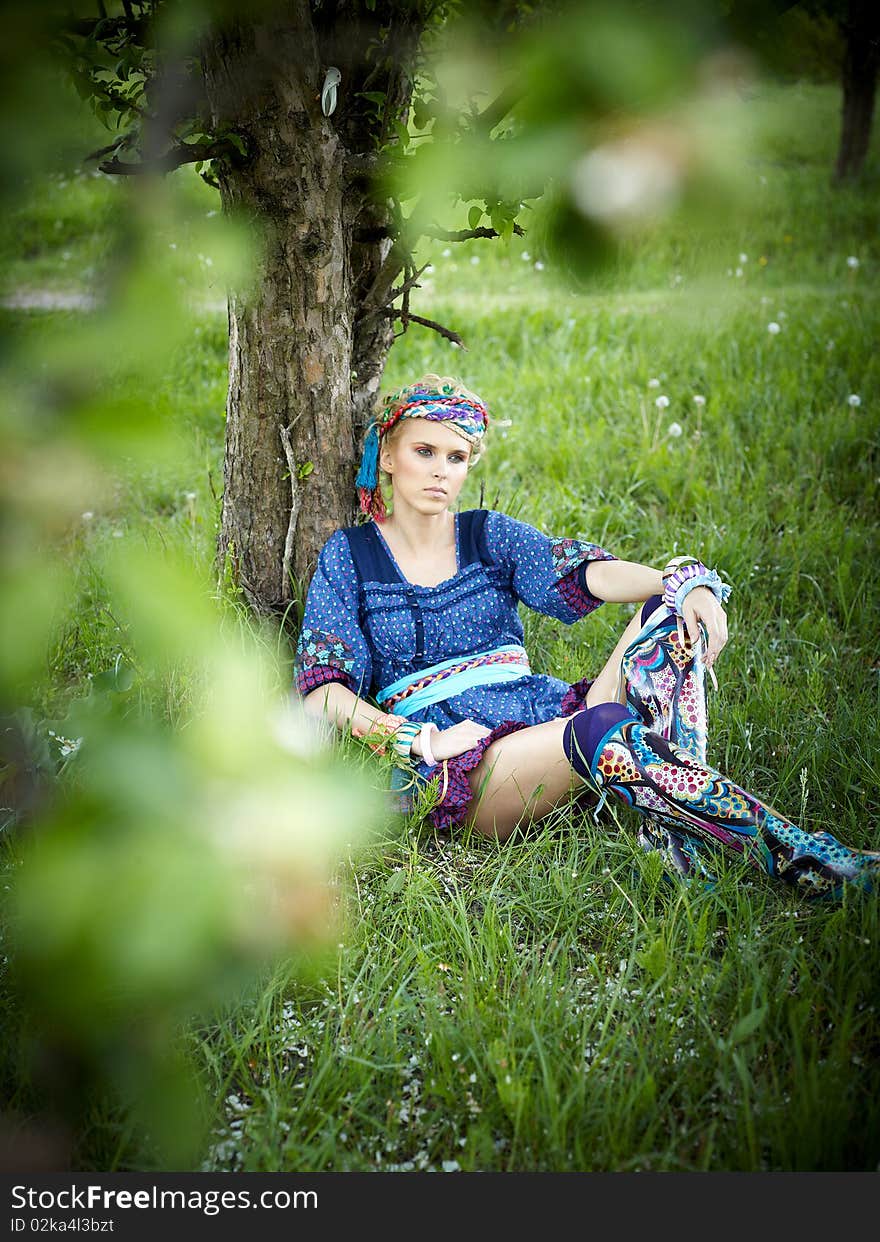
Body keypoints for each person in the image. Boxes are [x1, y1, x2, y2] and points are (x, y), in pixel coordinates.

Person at [295, 373, 879, 899]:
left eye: (457, 456)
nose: (442, 470)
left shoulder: (486, 534)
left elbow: (583, 575)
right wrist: (414, 740)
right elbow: (324, 689)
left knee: (667, 610)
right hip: (467, 757)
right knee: (596, 727)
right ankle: (805, 858)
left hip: (542, 713)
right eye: (425, 451)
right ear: (388, 454)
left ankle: (676, 835)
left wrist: (684, 581)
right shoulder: (350, 557)